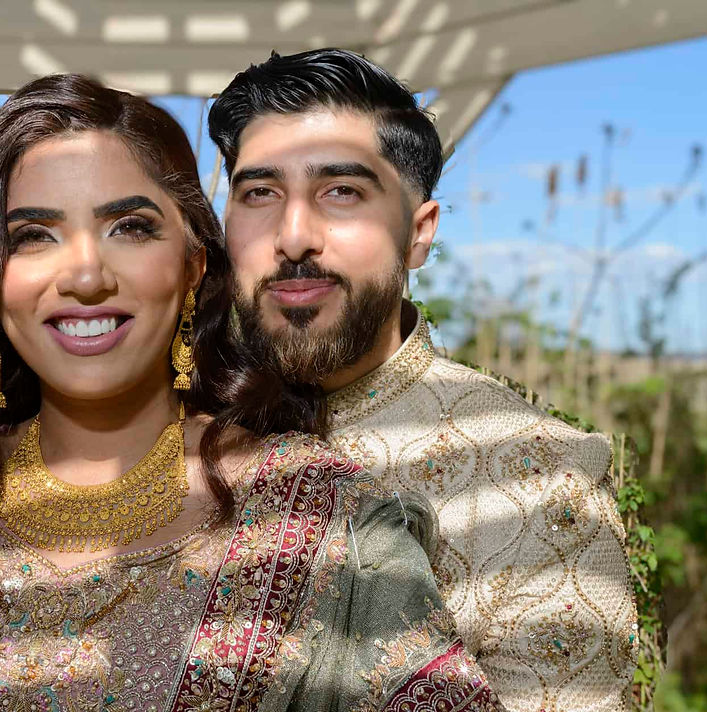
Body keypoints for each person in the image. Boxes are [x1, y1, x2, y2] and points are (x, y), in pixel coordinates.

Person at [0, 74, 503, 712]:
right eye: (34, 236)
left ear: (193, 263)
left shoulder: (316, 514)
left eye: (129, 227)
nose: (86, 275)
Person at [204, 48, 639, 712]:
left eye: (341, 192)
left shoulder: (544, 484)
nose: (293, 236)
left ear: (418, 233)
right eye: (259, 193)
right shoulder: (166, 433)